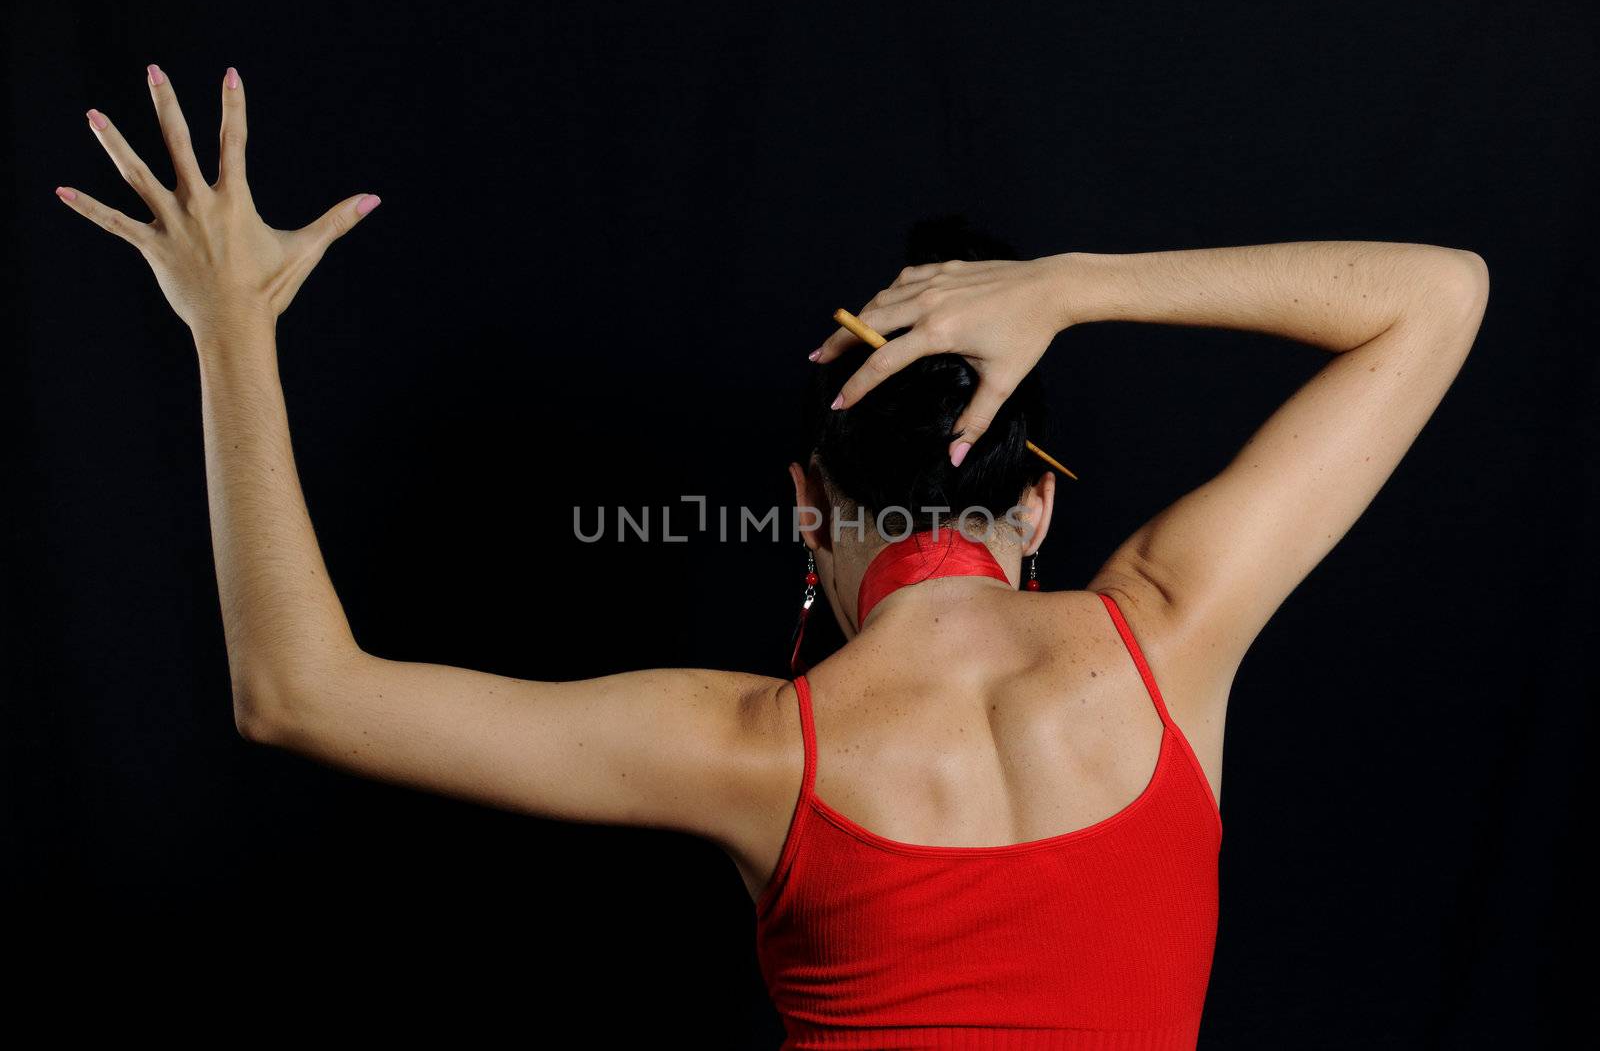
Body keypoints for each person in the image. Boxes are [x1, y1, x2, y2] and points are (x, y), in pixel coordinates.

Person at [56, 66, 1489, 1050]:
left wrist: (230, 328)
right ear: (1039, 504)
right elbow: (1439, 295)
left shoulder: (758, 750)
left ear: (808, 509)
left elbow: (297, 691)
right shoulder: (1175, 631)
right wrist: (1073, 289)